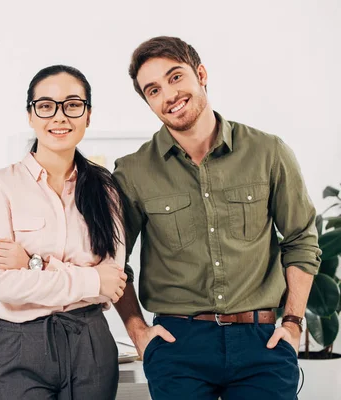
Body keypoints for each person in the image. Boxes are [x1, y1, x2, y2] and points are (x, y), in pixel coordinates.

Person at [112, 36, 321, 400]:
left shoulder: (267, 152)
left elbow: (301, 238)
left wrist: (292, 323)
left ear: (201, 74)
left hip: (263, 342)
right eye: (154, 90)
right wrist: (137, 330)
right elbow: (113, 262)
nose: (169, 95)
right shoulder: (132, 172)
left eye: (175, 77)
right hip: (179, 345)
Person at [0, 65, 127, 400]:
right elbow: (2, 285)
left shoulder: (106, 189)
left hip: (91, 343)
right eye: (46, 106)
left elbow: (113, 282)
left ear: (87, 116)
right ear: (30, 116)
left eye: (73, 105)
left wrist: (34, 264)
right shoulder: (1, 185)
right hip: (19, 344)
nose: (59, 117)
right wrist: (90, 279)